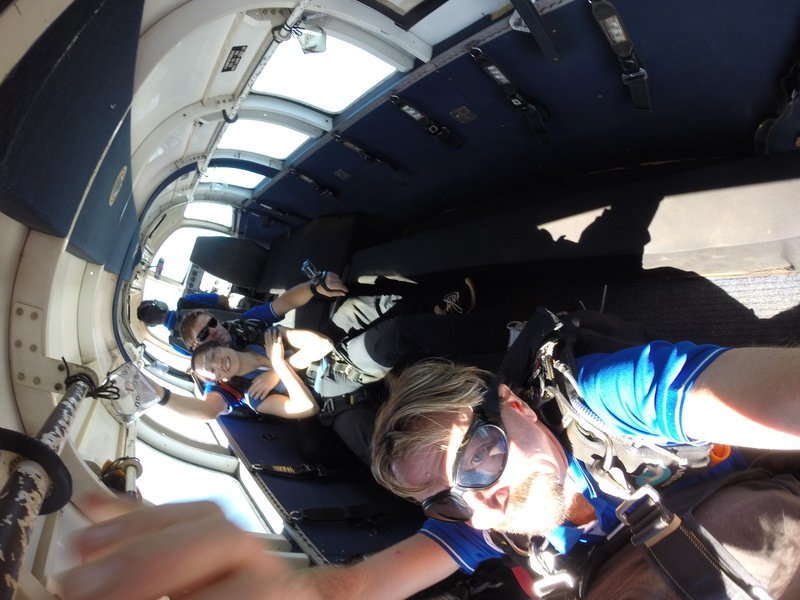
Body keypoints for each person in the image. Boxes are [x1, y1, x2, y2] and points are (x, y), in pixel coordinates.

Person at [61, 310, 800, 600]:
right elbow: (352, 589)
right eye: (447, 497)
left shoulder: (606, 397)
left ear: (515, 406)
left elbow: (773, 394)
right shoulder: (480, 523)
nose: (480, 505)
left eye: (476, 459)